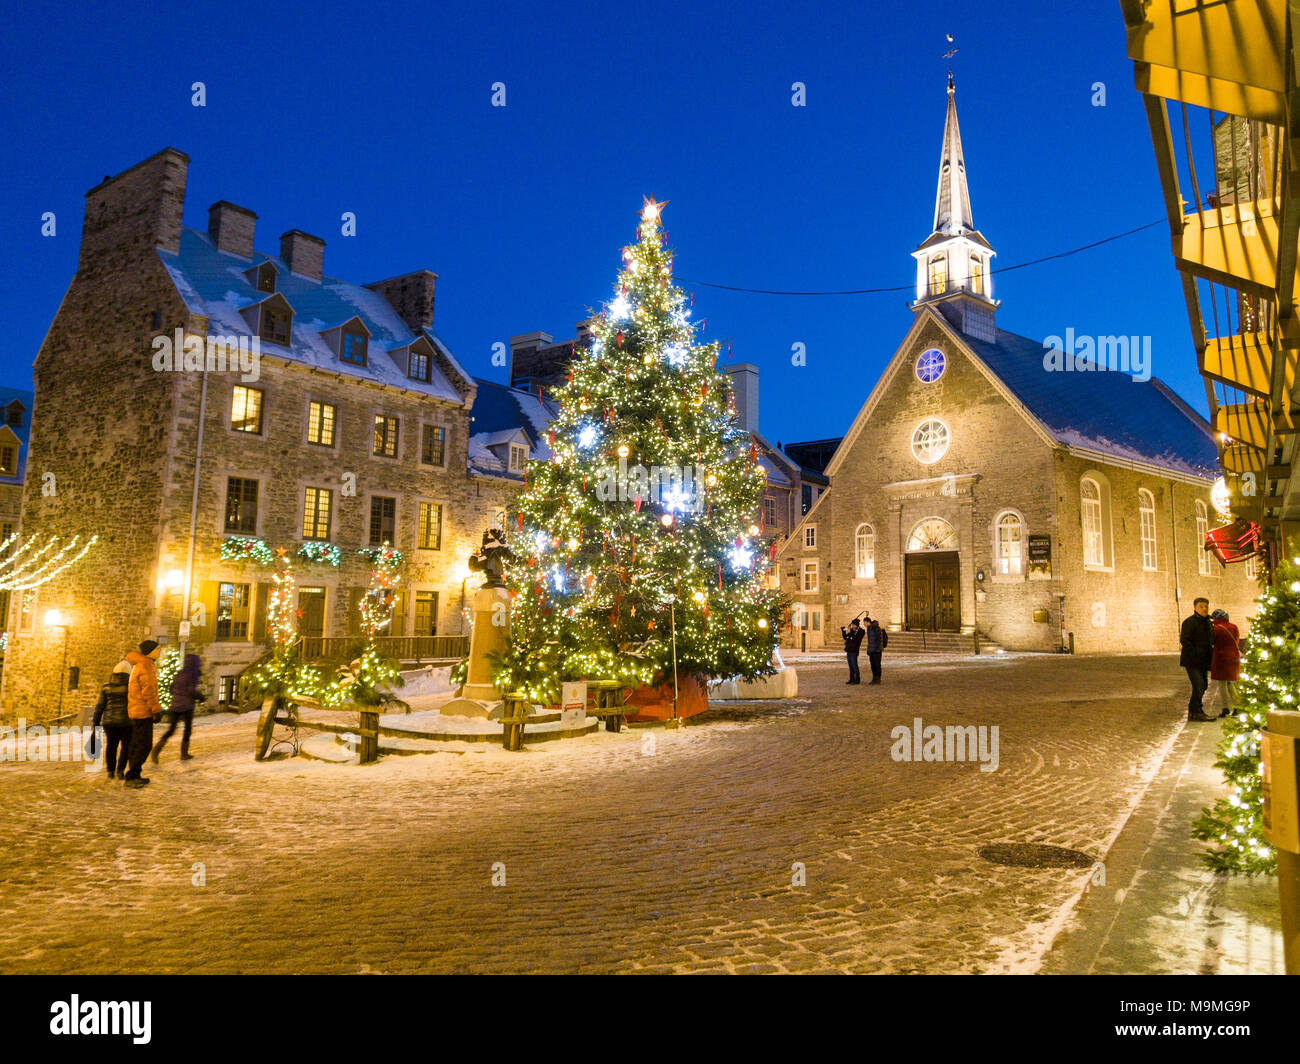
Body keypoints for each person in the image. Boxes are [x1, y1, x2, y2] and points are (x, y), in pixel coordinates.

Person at [124, 640, 163, 787]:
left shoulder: (141, 664)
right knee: (144, 745)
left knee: (138, 744)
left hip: (137, 710)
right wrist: (156, 710)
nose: (160, 651)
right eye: (158, 649)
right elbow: (149, 691)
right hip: (142, 712)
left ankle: (135, 774)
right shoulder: (146, 665)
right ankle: (132, 776)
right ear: (150, 651)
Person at [153, 652, 203, 763]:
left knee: (171, 730)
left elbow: (171, 689)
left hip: (175, 705)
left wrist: (178, 695)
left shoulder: (179, 674)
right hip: (187, 706)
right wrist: (200, 697)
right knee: (187, 730)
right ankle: (184, 754)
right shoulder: (192, 675)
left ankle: (156, 750)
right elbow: (191, 691)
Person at [91, 659, 132, 780]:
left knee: (111, 746)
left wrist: (96, 721)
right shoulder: (131, 688)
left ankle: (110, 771)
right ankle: (120, 770)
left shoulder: (106, 688)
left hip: (109, 723)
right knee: (126, 747)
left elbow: (100, 706)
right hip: (127, 723)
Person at [1179, 598, 1215, 722]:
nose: (1204, 609)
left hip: (1204, 660)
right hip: (1192, 661)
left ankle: (1194, 711)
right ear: (1195, 608)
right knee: (1198, 685)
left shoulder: (1208, 623)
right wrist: (1195, 652)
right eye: (1201, 606)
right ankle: (1196, 711)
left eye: (1206, 606)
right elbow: (1184, 640)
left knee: (1203, 685)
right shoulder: (1189, 622)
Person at [1209, 608, 1241, 720]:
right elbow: (1237, 640)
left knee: (1222, 684)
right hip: (1234, 657)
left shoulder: (1215, 628)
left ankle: (1225, 708)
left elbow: (1212, 642)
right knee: (1231, 683)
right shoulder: (1234, 626)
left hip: (1221, 658)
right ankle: (1237, 706)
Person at [840, 618, 864, 685]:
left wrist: (851, 632)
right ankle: (851, 679)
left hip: (854, 650)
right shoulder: (852, 631)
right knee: (850, 665)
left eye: (853, 625)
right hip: (849, 650)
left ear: (856, 625)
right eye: (852, 625)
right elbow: (845, 637)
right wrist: (843, 631)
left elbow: (855, 639)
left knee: (854, 665)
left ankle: (857, 679)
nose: (852, 626)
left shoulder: (860, 631)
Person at [865, 615, 887, 684]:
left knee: (877, 665)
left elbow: (878, 639)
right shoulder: (869, 628)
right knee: (873, 665)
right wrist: (868, 649)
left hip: (877, 650)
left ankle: (878, 679)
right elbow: (870, 641)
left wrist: (877, 648)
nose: (864, 624)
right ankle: (874, 678)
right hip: (872, 649)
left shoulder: (875, 628)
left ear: (868, 622)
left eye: (865, 623)